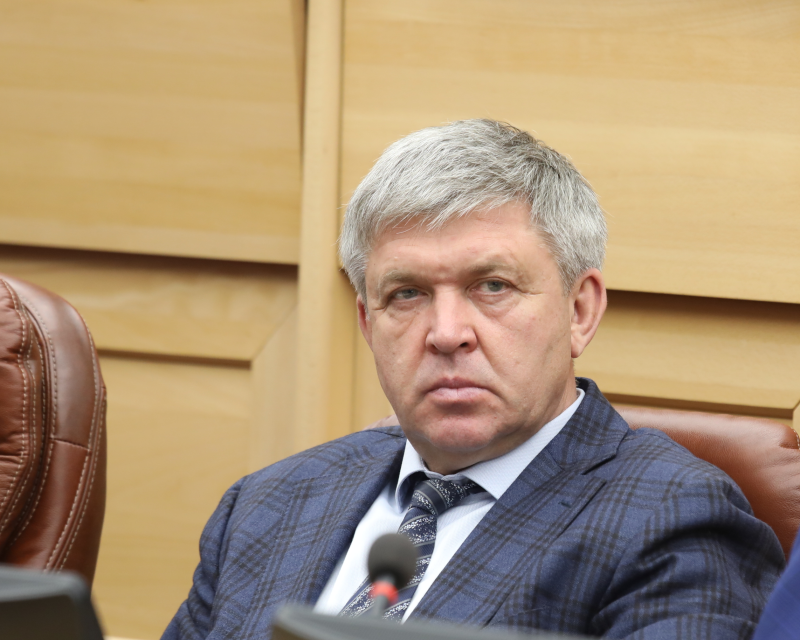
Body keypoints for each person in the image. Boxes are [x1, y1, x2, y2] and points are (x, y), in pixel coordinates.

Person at [163, 120, 783, 639]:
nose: (446, 333)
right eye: (406, 294)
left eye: (492, 286)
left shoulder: (671, 522)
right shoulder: (266, 505)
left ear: (579, 311)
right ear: (367, 322)